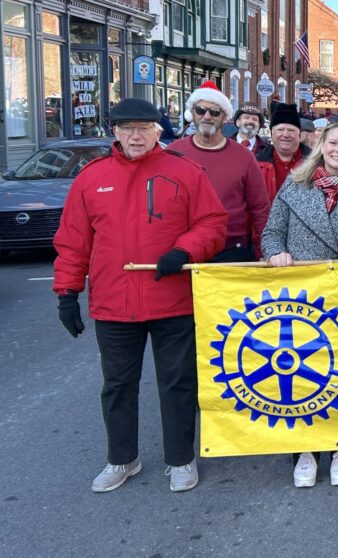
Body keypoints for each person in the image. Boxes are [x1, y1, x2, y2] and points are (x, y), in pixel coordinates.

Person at [53, 98, 228, 493]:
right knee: (117, 385)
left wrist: (184, 250)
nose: (136, 136)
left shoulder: (184, 172)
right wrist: (67, 292)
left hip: (173, 301)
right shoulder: (91, 179)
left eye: (144, 128)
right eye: (127, 128)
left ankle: (181, 459)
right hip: (115, 304)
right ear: (114, 132)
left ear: (158, 131)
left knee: (178, 383)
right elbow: (72, 242)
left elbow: (213, 223)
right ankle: (122, 458)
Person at [261, 120, 338, 488]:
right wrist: (276, 254)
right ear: (320, 144)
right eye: (333, 143)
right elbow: (272, 233)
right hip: (301, 296)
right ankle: (305, 448)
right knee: (303, 372)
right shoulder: (295, 184)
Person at [170, 82, 269, 263]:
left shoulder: (244, 157)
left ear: (225, 117)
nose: (207, 116)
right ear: (192, 114)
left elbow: (260, 209)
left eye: (215, 112)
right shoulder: (172, 153)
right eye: (200, 110)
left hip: (232, 252)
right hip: (182, 252)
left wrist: (266, 251)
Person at [256, 103, 311, 200]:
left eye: (291, 130)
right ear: (272, 133)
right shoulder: (257, 163)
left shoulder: (314, 162)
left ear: (299, 134)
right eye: (280, 129)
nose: (285, 134)